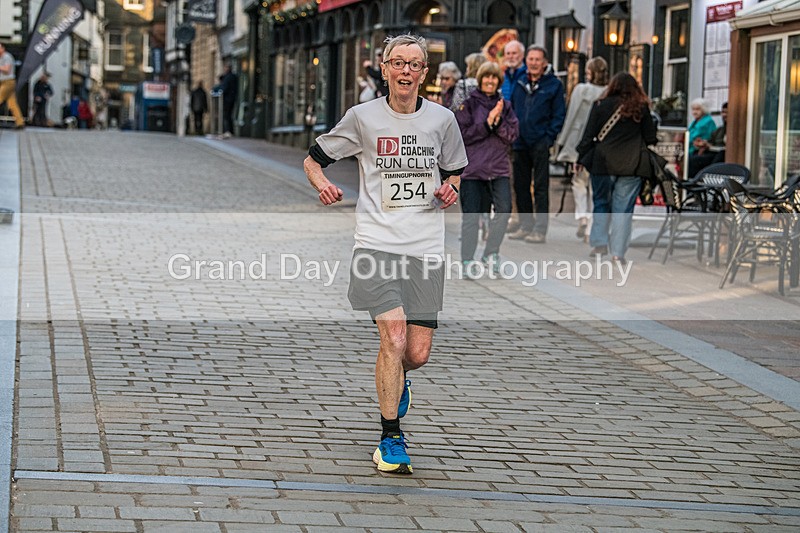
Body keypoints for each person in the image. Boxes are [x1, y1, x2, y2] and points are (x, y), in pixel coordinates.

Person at [303, 34, 467, 475]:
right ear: (384, 68)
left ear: (424, 74)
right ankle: (390, 436)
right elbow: (313, 159)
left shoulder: (443, 120)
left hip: (426, 248)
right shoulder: (363, 118)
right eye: (398, 63)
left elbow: (454, 170)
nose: (405, 71)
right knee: (392, 340)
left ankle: (400, 381)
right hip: (375, 245)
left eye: (414, 64)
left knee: (417, 352)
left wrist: (451, 188)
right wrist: (322, 184)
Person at [576, 72, 658, 264]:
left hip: (602, 163)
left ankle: (599, 245)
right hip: (631, 165)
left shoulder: (599, 105)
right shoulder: (641, 107)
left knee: (601, 203)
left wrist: (580, 157)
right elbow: (650, 138)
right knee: (623, 209)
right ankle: (617, 254)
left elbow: (588, 135)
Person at [455, 61, 519, 276]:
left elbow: (513, 134)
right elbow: (462, 135)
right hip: (473, 170)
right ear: (480, 80)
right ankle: (467, 261)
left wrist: (497, 122)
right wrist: (487, 124)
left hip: (499, 169)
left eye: (494, 77)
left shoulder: (505, 105)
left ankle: (491, 253)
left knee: (503, 212)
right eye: (486, 77)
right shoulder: (469, 104)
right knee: (471, 217)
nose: (490, 81)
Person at [508, 45, 566, 244]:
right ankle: (526, 226)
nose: (533, 63)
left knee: (541, 187)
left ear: (545, 63)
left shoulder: (554, 85)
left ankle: (540, 230)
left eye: (537, 60)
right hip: (520, 142)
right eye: (530, 59)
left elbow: (559, 115)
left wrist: (548, 138)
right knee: (520, 185)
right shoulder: (520, 83)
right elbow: (512, 110)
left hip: (540, 142)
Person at [555, 57, 609, 241]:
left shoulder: (582, 90)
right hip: (601, 144)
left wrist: (561, 141)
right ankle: (590, 227)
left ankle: (582, 217)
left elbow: (572, 116)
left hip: (579, 141)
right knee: (595, 186)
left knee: (578, 182)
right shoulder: (608, 91)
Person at [688, 101, 727, 179]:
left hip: (720, 155)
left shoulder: (708, 121)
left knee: (693, 160)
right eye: (723, 112)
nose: (724, 115)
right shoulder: (720, 129)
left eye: (727, 112)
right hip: (709, 151)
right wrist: (704, 144)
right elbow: (710, 141)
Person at [0, 42, 25, 129]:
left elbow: (7, 69)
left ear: (3, 48)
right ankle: (20, 122)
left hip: (8, 82)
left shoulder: (7, 57)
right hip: (4, 82)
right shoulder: (1, 58)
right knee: (12, 104)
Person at [220, 64, 238, 137]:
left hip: (228, 99)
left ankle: (228, 130)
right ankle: (230, 130)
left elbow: (225, 88)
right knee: (229, 115)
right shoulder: (233, 76)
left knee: (227, 115)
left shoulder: (228, 77)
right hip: (232, 98)